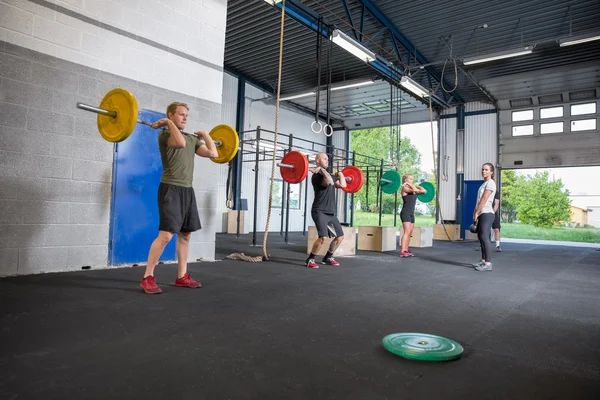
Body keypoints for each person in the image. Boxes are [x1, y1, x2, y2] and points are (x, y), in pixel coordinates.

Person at [140, 102, 218, 294]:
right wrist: (167, 123)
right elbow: (180, 143)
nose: (184, 118)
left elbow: (213, 153)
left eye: (186, 115)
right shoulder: (165, 134)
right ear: (171, 115)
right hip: (170, 189)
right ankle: (147, 277)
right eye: (181, 114)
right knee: (166, 235)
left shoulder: (192, 139)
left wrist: (205, 135)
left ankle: (182, 276)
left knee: (185, 234)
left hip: (187, 191)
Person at [306, 152, 347, 269]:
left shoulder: (329, 174)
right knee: (323, 237)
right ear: (317, 161)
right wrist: (321, 170)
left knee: (340, 236)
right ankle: (310, 259)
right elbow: (328, 181)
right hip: (319, 211)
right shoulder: (317, 176)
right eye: (324, 159)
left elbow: (343, 185)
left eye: (328, 159)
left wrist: (340, 174)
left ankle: (328, 257)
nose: (327, 160)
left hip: (331, 212)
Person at [473, 163, 496, 272]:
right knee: (481, 237)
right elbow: (478, 201)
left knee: (484, 237)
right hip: (481, 212)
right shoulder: (484, 184)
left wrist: (477, 212)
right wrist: (475, 213)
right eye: (482, 169)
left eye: (486, 169)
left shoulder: (491, 183)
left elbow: (484, 199)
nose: (483, 171)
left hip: (487, 213)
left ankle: (488, 263)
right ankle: (483, 260)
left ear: (491, 172)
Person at [399, 174, 427, 258]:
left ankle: (406, 249)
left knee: (410, 233)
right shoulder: (405, 188)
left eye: (412, 179)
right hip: (405, 213)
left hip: (411, 213)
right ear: (405, 180)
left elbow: (424, 190)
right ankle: (402, 251)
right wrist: (411, 185)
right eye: (410, 179)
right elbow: (415, 190)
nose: (412, 180)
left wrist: (416, 186)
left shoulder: (411, 188)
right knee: (406, 232)